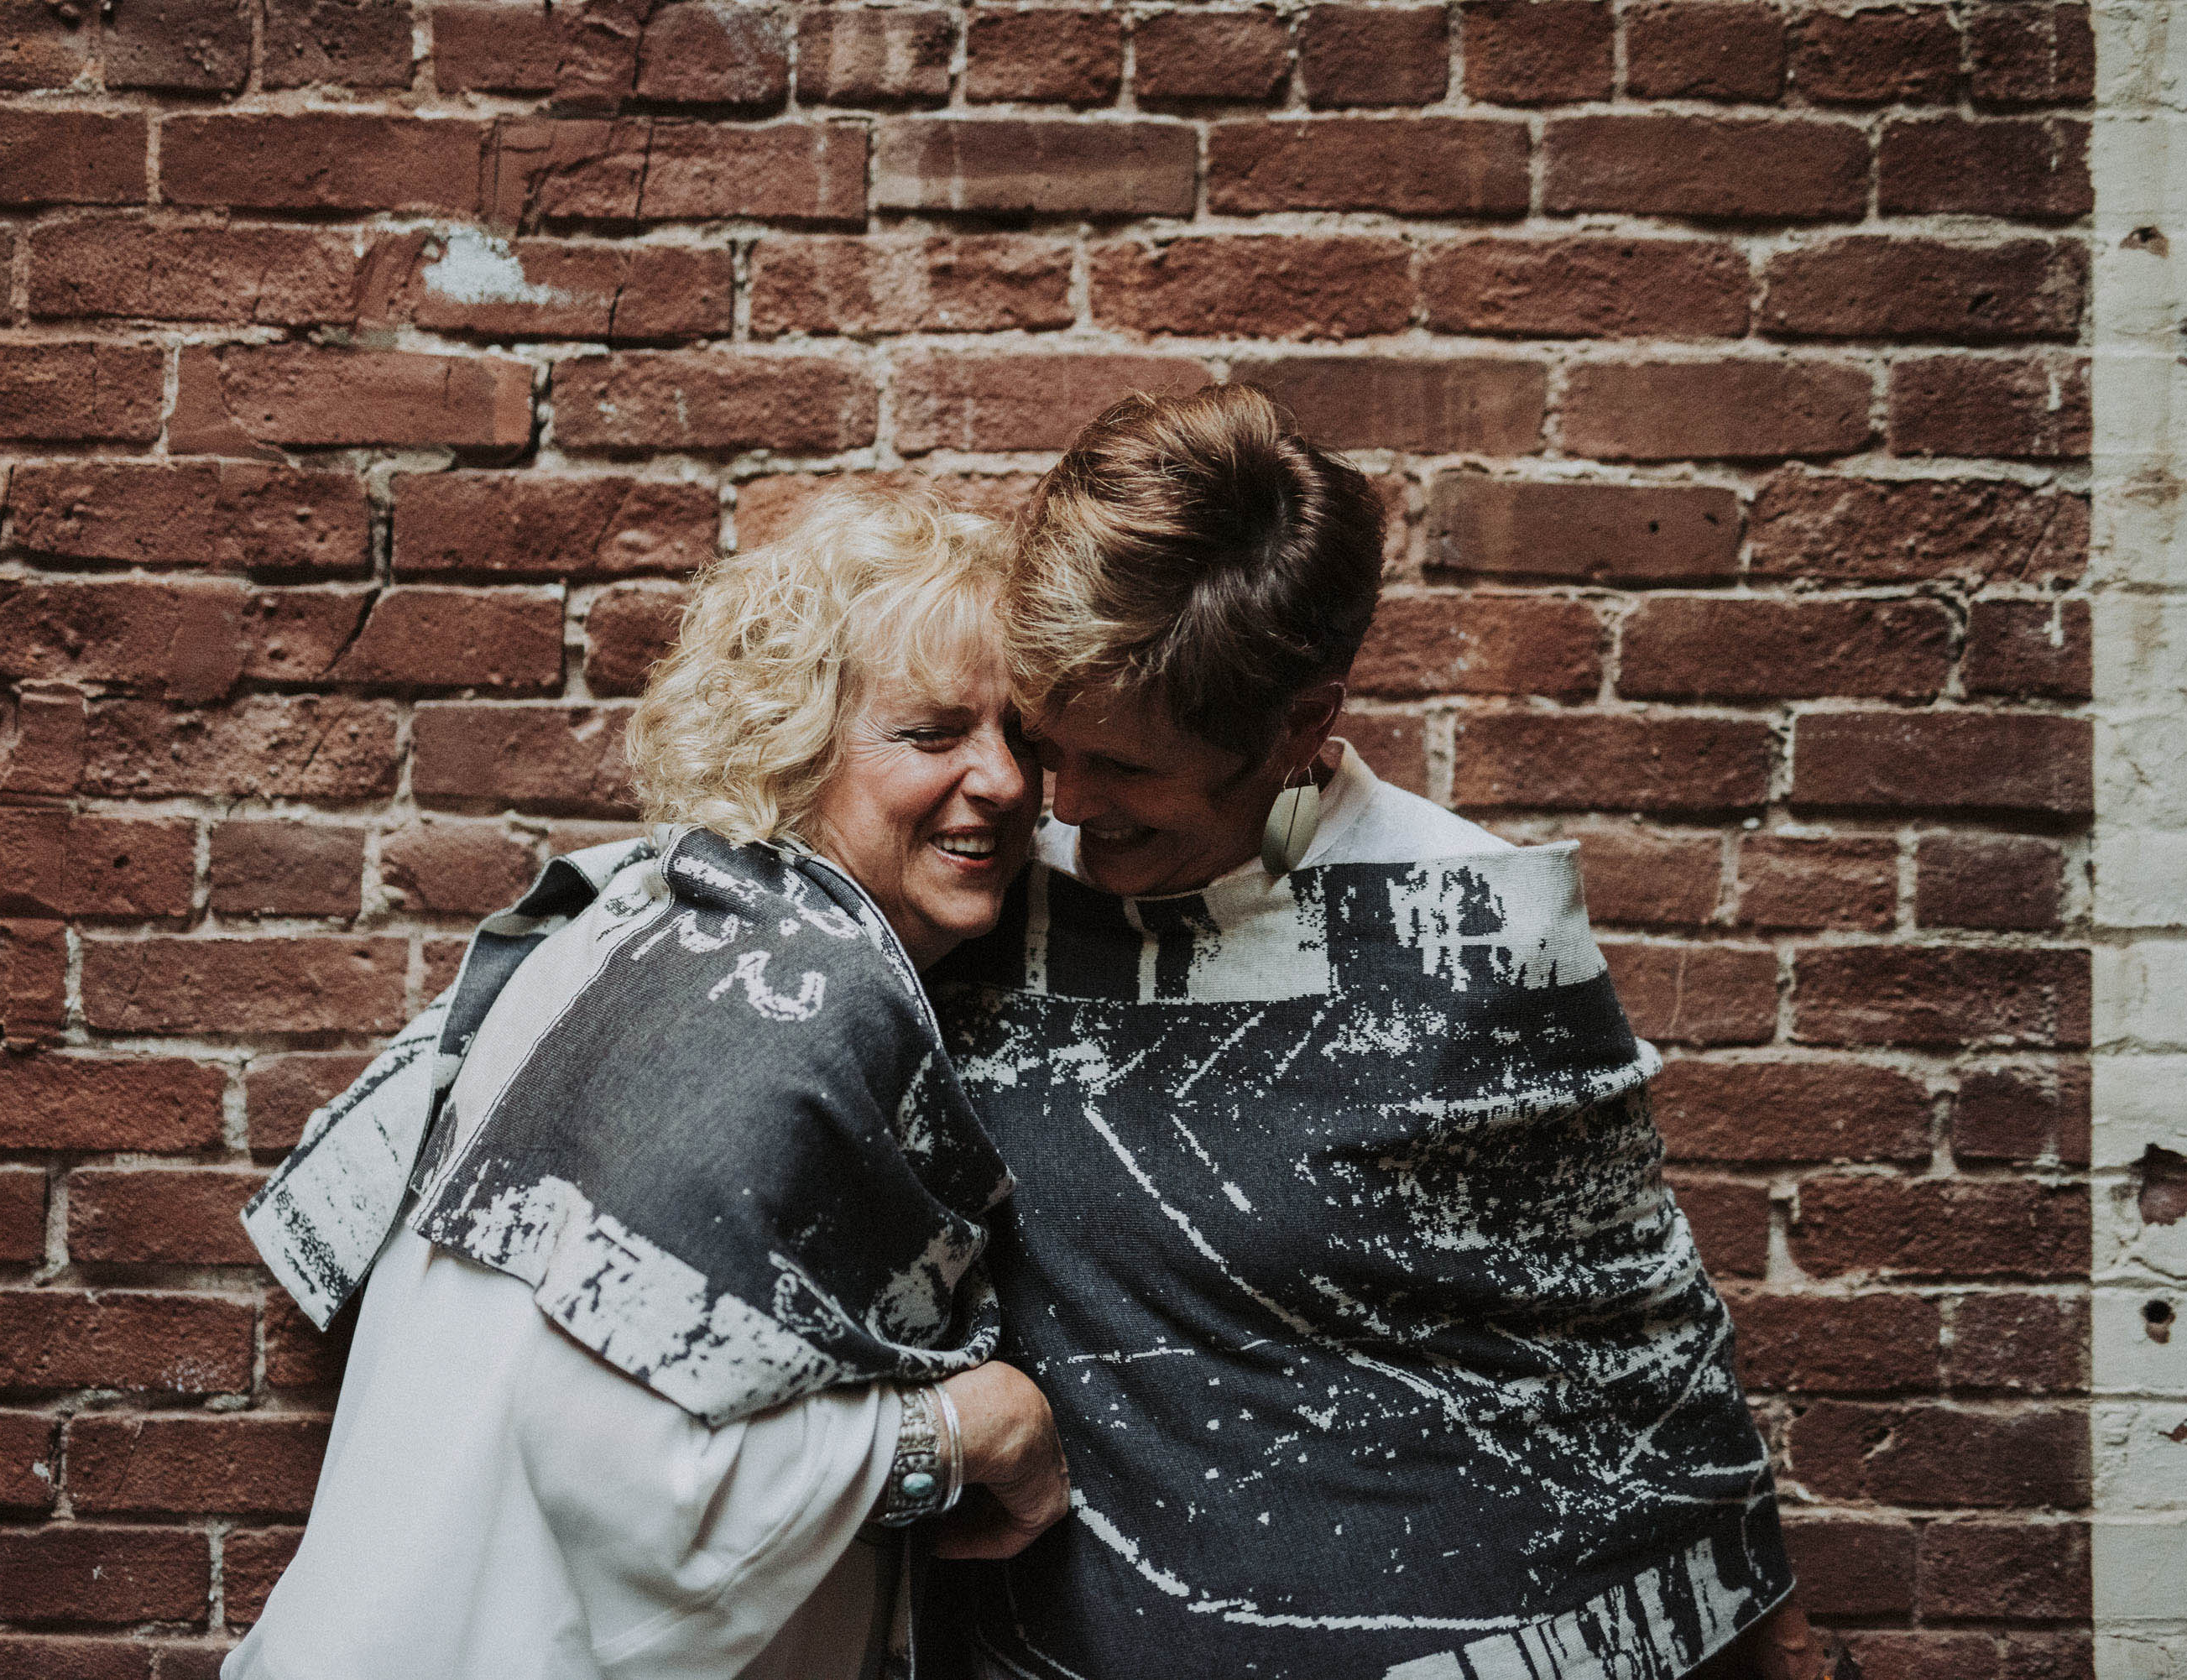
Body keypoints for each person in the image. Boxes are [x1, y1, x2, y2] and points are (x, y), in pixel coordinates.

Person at [926, 386, 1815, 1680]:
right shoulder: (975, 878)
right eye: (1046, 737)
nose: (1062, 800)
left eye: (1125, 767)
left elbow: (1645, 1351)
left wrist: (1769, 1634)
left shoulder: (1470, 933)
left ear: (1301, 723)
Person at [227, 486, 1067, 1680]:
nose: (1004, 781)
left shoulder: (641, 917)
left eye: (1023, 735)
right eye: (932, 733)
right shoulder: (797, 995)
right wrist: (977, 1429)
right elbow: (624, 1476)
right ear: (798, 739)